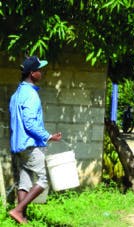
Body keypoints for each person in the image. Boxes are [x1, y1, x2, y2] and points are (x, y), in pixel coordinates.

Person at [8, 56, 62, 224]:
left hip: (17, 145)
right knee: (43, 180)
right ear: (32, 73)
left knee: (24, 181)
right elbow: (30, 123)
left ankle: (21, 217)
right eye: (39, 70)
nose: (41, 72)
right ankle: (17, 210)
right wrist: (48, 136)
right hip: (30, 145)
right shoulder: (31, 95)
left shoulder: (16, 94)